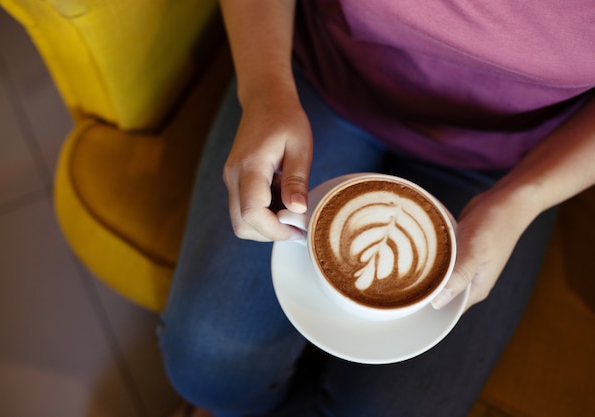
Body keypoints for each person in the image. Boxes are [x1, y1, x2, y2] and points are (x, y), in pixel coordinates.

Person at [159, 1, 595, 416]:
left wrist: (525, 198)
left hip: (510, 163)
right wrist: (263, 91)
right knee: (207, 368)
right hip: (323, 84)